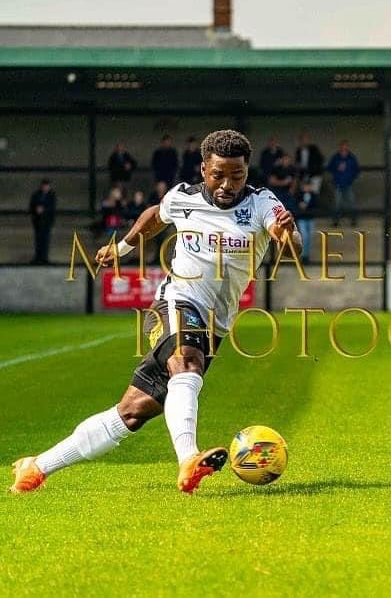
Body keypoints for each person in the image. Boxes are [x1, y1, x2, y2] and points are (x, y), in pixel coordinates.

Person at [10, 130, 301, 495]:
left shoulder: (261, 204)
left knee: (133, 411)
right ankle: (188, 460)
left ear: (246, 171)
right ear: (204, 169)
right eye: (218, 175)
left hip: (216, 322)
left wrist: (288, 235)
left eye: (237, 175)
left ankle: (36, 467)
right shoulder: (183, 197)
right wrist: (123, 247)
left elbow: (289, 242)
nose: (227, 184)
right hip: (176, 300)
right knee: (186, 361)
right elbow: (154, 216)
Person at [327, 140, 360, 227]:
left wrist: (351, 179)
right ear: (340, 147)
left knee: (351, 202)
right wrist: (336, 170)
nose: (344, 148)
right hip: (338, 183)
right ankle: (336, 221)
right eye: (342, 146)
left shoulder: (351, 158)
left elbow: (356, 170)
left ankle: (353, 221)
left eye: (346, 146)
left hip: (348, 184)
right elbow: (329, 168)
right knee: (337, 203)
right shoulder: (335, 157)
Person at [29, 179, 56, 264]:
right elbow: (31, 205)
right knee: (38, 240)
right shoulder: (36, 195)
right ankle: (38, 257)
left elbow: (52, 208)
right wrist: (36, 210)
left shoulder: (51, 196)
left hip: (47, 222)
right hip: (38, 222)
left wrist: (43, 210)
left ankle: (44, 258)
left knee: (45, 240)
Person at [293, 180, 317, 264]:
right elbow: (295, 205)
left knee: (309, 237)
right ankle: (303, 255)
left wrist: (307, 206)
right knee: (305, 236)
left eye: (308, 186)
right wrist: (300, 205)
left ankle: (306, 255)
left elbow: (316, 206)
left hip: (310, 218)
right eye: (305, 186)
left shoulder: (314, 196)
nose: (307, 188)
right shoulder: (298, 195)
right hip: (302, 218)